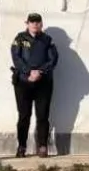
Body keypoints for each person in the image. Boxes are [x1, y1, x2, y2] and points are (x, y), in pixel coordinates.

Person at [10, 12, 59, 157]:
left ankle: (43, 146)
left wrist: (40, 72)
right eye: (32, 22)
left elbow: (53, 59)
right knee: (24, 115)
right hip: (23, 83)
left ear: (41, 24)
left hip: (43, 83)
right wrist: (29, 72)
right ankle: (22, 146)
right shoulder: (19, 39)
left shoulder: (47, 40)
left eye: (38, 22)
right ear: (27, 23)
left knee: (42, 116)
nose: (35, 24)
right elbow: (16, 58)